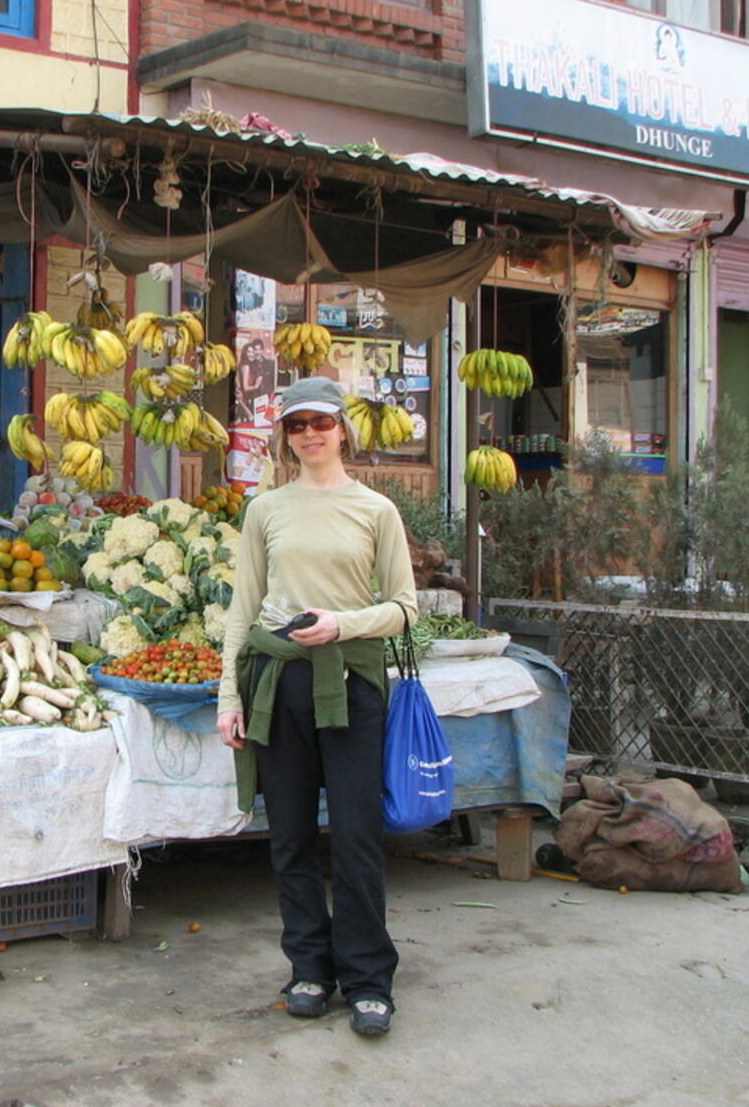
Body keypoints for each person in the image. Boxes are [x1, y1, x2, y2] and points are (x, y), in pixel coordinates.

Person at [216, 376, 417, 1037]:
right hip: (277, 684)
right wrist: (229, 697)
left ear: (342, 430)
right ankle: (309, 968)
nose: (309, 435)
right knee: (291, 836)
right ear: (286, 436)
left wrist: (343, 624)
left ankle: (367, 980)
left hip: (353, 683)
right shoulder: (265, 510)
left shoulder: (376, 510)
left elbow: (404, 611)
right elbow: (244, 609)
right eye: (296, 425)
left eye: (320, 423)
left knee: (358, 837)